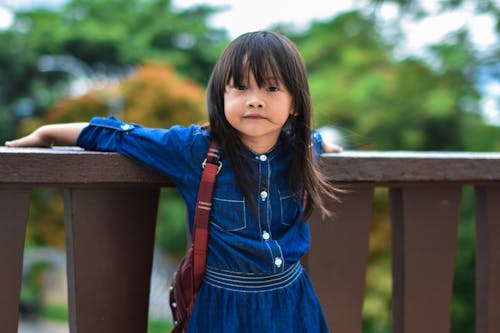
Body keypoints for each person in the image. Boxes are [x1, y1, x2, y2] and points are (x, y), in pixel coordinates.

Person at [6, 31, 341, 332]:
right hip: (223, 310)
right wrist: (48, 132)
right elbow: (121, 136)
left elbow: (314, 137)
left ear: (295, 102)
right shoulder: (194, 149)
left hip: (293, 303)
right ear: (220, 95)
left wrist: (325, 143)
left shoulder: (302, 147)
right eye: (240, 87)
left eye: (271, 88)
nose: (254, 99)